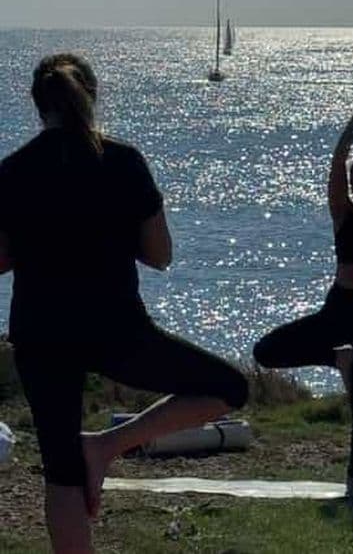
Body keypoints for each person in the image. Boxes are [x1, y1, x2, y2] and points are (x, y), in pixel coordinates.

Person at [0, 53, 248, 554]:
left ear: (36, 104)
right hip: (117, 329)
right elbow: (160, 255)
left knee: (61, 471)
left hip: (40, 332)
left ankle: (94, 450)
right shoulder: (123, 161)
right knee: (229, 388)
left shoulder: (13, 171)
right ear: (91, 96)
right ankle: (109, 444)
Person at [253, 74, 353, 501]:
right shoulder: (342, 216)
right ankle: (335, 358)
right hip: (337, 310)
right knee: (265, 351)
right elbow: (337, 160)